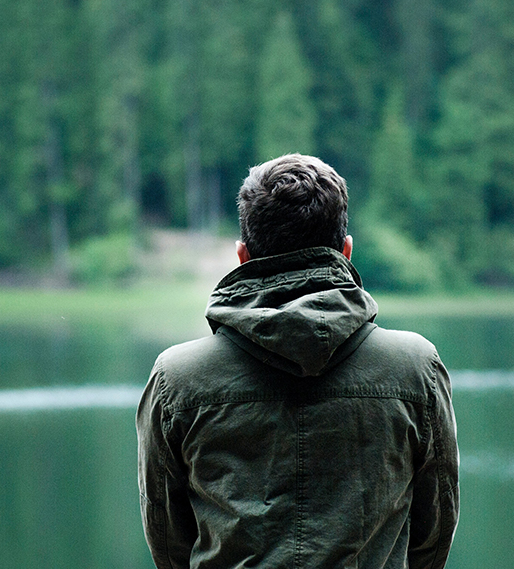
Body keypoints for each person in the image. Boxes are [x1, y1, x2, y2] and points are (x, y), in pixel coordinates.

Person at [137, 153, 459, 569]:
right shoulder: (416, 368)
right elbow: (433, 533)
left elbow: (170, 543)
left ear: (242, 256)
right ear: (346, 251)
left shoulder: (177, 379)